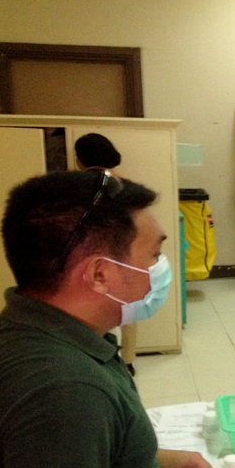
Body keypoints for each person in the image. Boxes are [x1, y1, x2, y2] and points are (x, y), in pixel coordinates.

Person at [0, 170, 215, 468]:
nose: (164, 265)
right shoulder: (62, 392)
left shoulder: (38, 325)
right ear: (101, 274)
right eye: (154, 255)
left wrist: (146, 459)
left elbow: (60, 460)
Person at [74, 132, 138, 377]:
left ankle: (106, 362)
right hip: (124, 256)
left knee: (99, 313)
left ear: (80, 159)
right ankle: (127, 361)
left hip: (90, 259)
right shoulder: (125, 184)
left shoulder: (76, 186)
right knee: (126, 310)